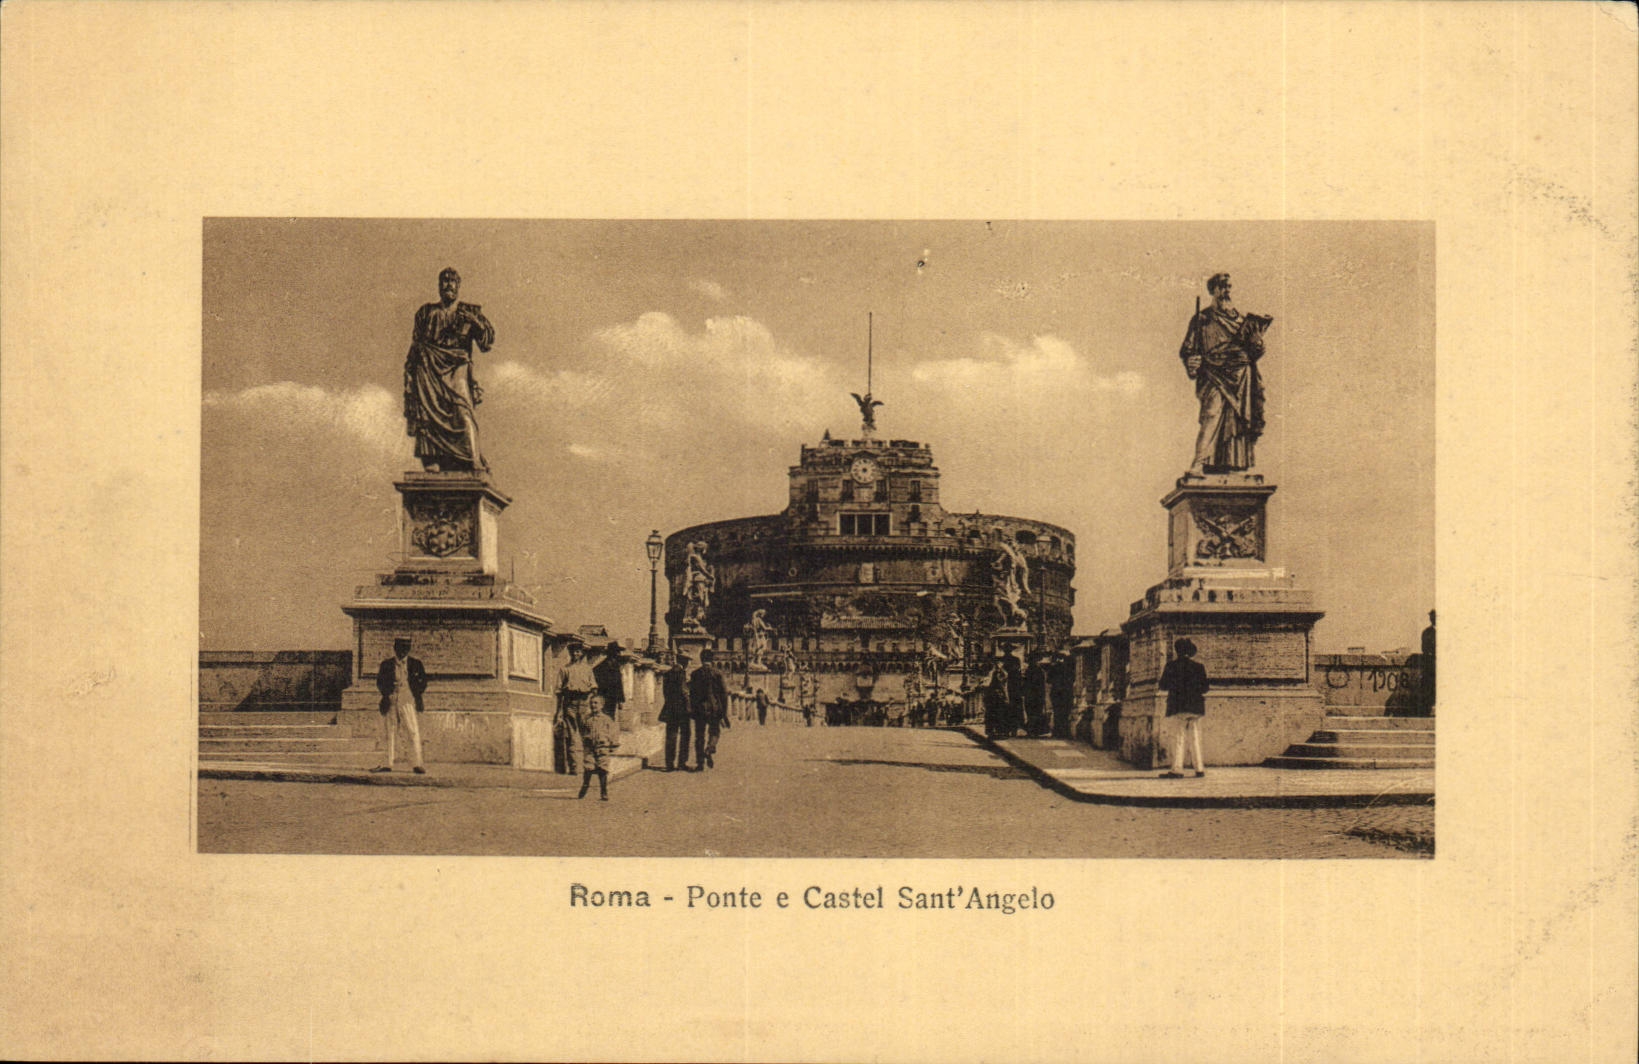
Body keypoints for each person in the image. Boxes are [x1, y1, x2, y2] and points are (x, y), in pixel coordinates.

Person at [1179, 273, 1272, 476]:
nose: (1226, 291)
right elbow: (1188, 349)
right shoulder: (1202, 319)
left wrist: (1258, 345)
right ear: (1213, 290)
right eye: (1221, 287)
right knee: (1212, 414)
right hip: (1213, 374)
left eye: (1229, 286)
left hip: (1241, 376)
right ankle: (1199, 462)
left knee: (1238, 420)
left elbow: (1253, 351)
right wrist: (1191, 362)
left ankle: (1236, 465)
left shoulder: (1241, 319)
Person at [404, 267, 495, 474]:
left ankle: (472, 458)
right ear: (439, 286)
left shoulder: (469, 311)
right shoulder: (426, 312)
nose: (448, 285)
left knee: (463, 411)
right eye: (444, 281)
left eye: (452, 281)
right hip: (428, 370)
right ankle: (432, 458)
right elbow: (416, 344)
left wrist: (475, 322)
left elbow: (487, 342)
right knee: (429, 415)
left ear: (458, 285)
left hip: (457, 368)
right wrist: (409, 372)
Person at [556, 642, 606, 797]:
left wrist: (592, 703)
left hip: (584, 703)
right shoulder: (564, 669)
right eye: (573, 652)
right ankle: (573, 768)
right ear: (570, 653)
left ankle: (588, 766)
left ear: (582, 653)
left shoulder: (587, 669)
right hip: (570, 703)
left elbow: (594, 688)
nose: (575, 654)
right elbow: (559, 692)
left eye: (578, 652)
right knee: (571, 736)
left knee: (587, 736)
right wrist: (558, 711)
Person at [372, 637, 427, 773]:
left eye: (406, 649)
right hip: (391, 699)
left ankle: (417, 763)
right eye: (400, 648)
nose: (402, 652)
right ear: (395, 649)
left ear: (409, 650)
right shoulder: (386, 665)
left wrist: (416, 694)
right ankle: (387, 763)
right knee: (389, 730)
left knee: (412, 730)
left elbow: (424, 682)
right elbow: (380, 682)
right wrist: (386, 694)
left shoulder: (416, 664)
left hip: (407, 699)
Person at [1158, 638, 1210, 778]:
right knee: (1195, 737)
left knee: (1178, 737)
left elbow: (1163, 685)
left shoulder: (1171, 666)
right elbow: (1205, 688)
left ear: (1177, 651)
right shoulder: (1199, 667)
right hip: (1196, 707)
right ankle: (1199, 768)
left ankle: (1177, 769)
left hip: (1178, 706)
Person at [688, 648, 731, 770]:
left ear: (701, 659)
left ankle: (700, 764)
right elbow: (724, 694)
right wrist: (724, 712)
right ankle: (710, 748)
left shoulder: (695, 674)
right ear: (712, 660)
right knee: (715, 732)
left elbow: (692, 693)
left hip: (700, 709)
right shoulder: (717, 673)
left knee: (699, 736)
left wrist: (693, 708)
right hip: (714, 709)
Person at [659, 652, 693, 772]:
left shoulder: (668, 673)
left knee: (671, 736)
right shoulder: (681, 673)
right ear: (684, 661)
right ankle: (682, 763)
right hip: (682, 710)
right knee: (685, 735)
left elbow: (665, 692)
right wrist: (689, 706)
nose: (688, 663)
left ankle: (669, 764)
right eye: (687, 661)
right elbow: (684, 692)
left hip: (670, 708)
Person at [1419, 609, 1436, 716]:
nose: (1432, 619)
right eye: (1431, 616)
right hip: (1431, 665)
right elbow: (1424, 648)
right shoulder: (1426, 632)